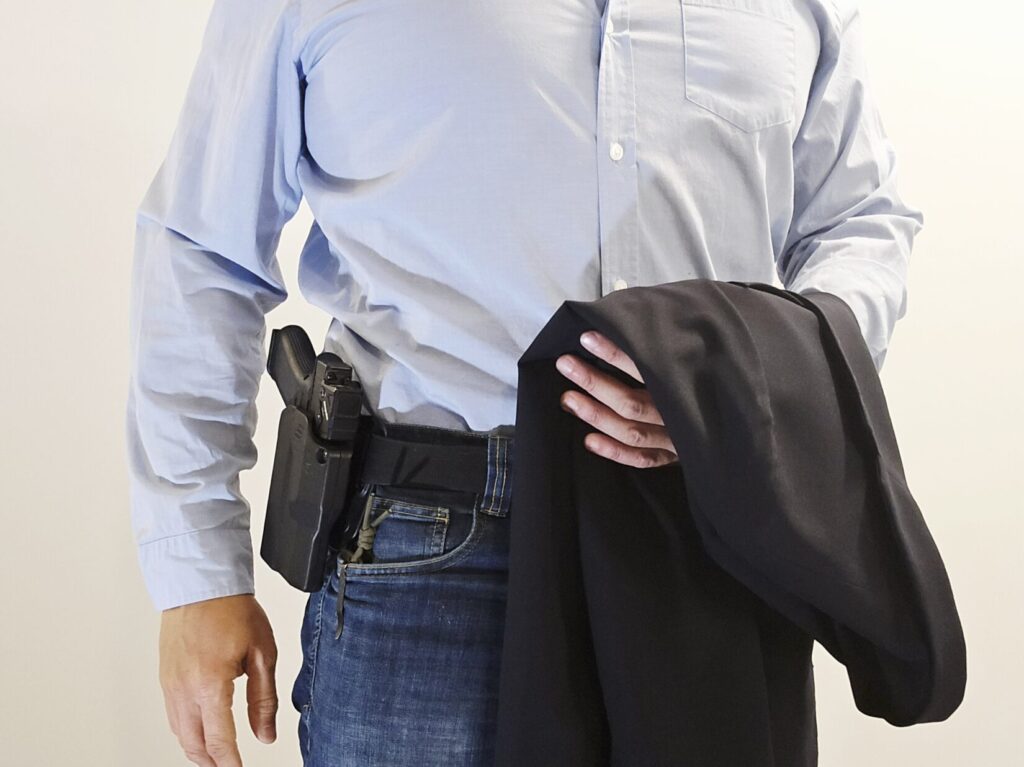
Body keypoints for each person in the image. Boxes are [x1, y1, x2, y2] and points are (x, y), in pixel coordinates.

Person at [126, 0, 923, 765]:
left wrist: (746, 384)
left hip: (707, 537)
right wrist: (196, 572)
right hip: (435, 554)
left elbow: (858, 221)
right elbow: (204, 251)